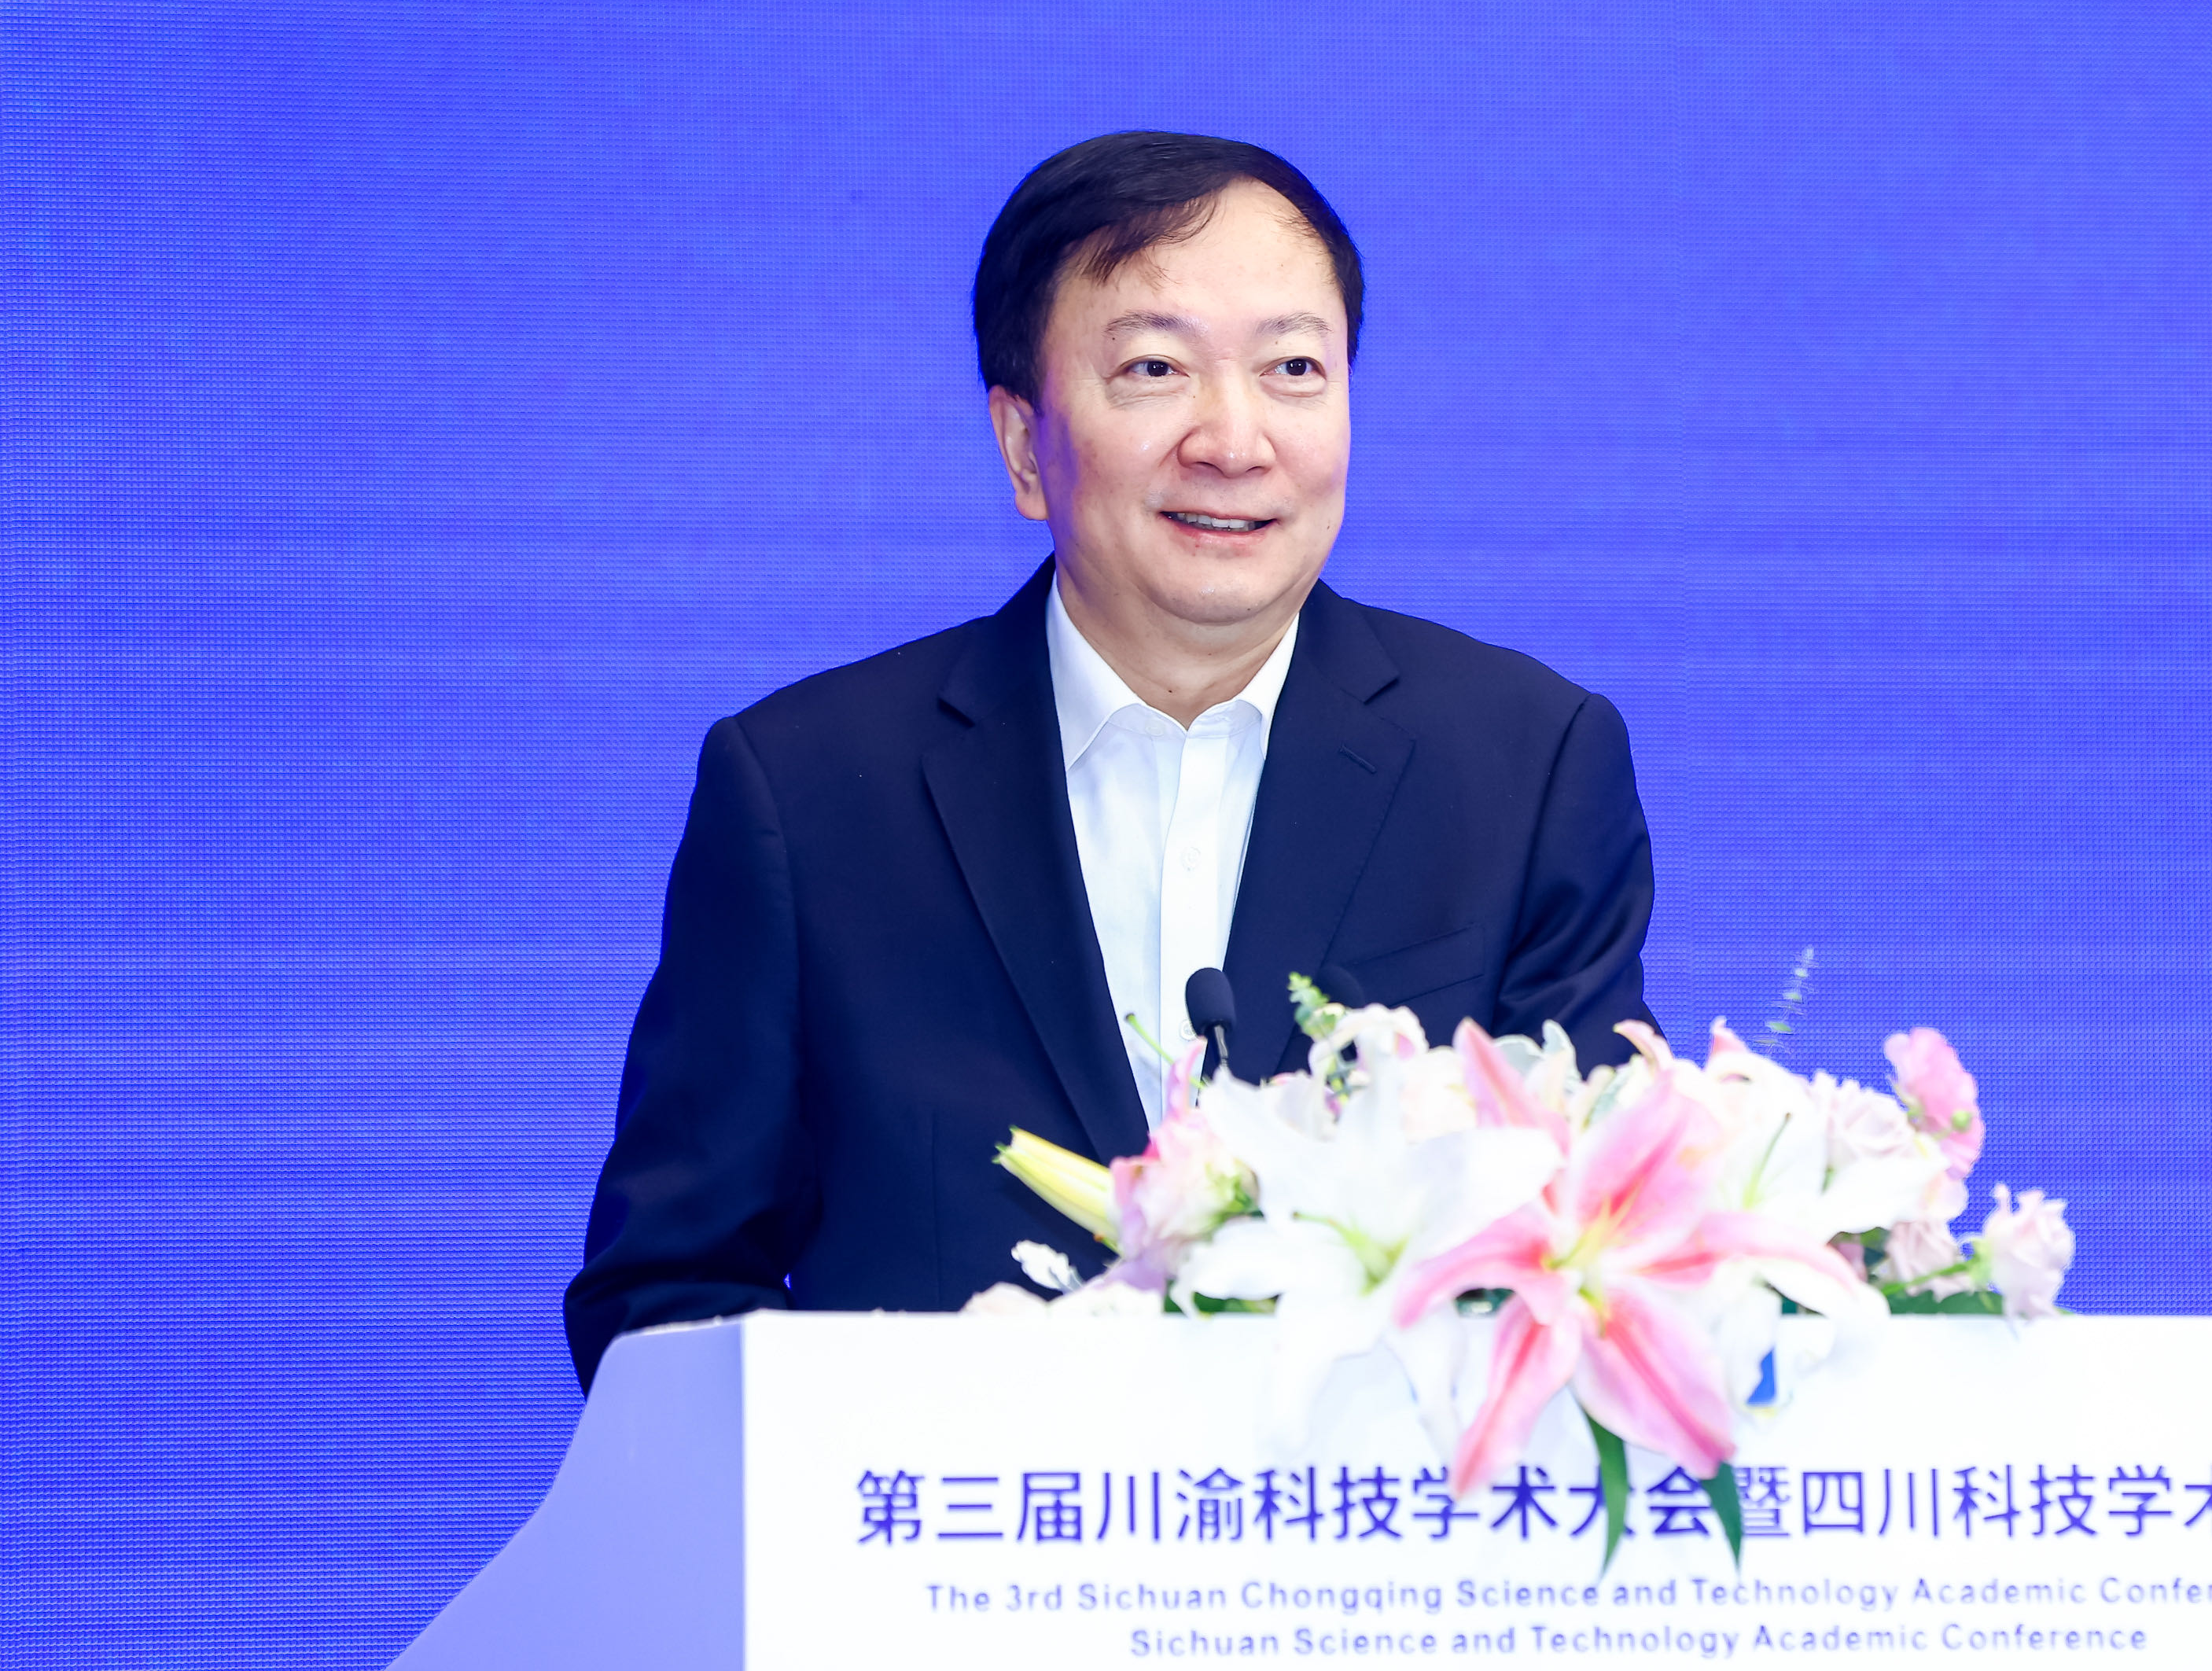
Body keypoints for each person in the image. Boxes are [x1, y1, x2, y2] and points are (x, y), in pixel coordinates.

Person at [562, 132, 1659, 1390]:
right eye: (1154, 368)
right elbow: (670, 1293)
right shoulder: (808, 795)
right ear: (1025, 446)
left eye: (1294, 368)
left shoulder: (1525, 766)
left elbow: (1598, 1256)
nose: (1234, 438)